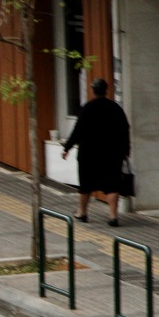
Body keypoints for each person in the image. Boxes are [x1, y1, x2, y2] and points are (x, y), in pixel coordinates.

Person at [62, 78, 131, 227]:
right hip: (112, 153)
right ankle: (113, 216)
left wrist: (67, 147)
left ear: (93, 91)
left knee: (86, 184)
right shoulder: (115, 108)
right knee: (112, 184)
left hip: (89, 154)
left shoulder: (88, 108)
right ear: (106, 90)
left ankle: (82, 212)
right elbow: (125, 130)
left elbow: (77, 131)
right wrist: (126, 150)